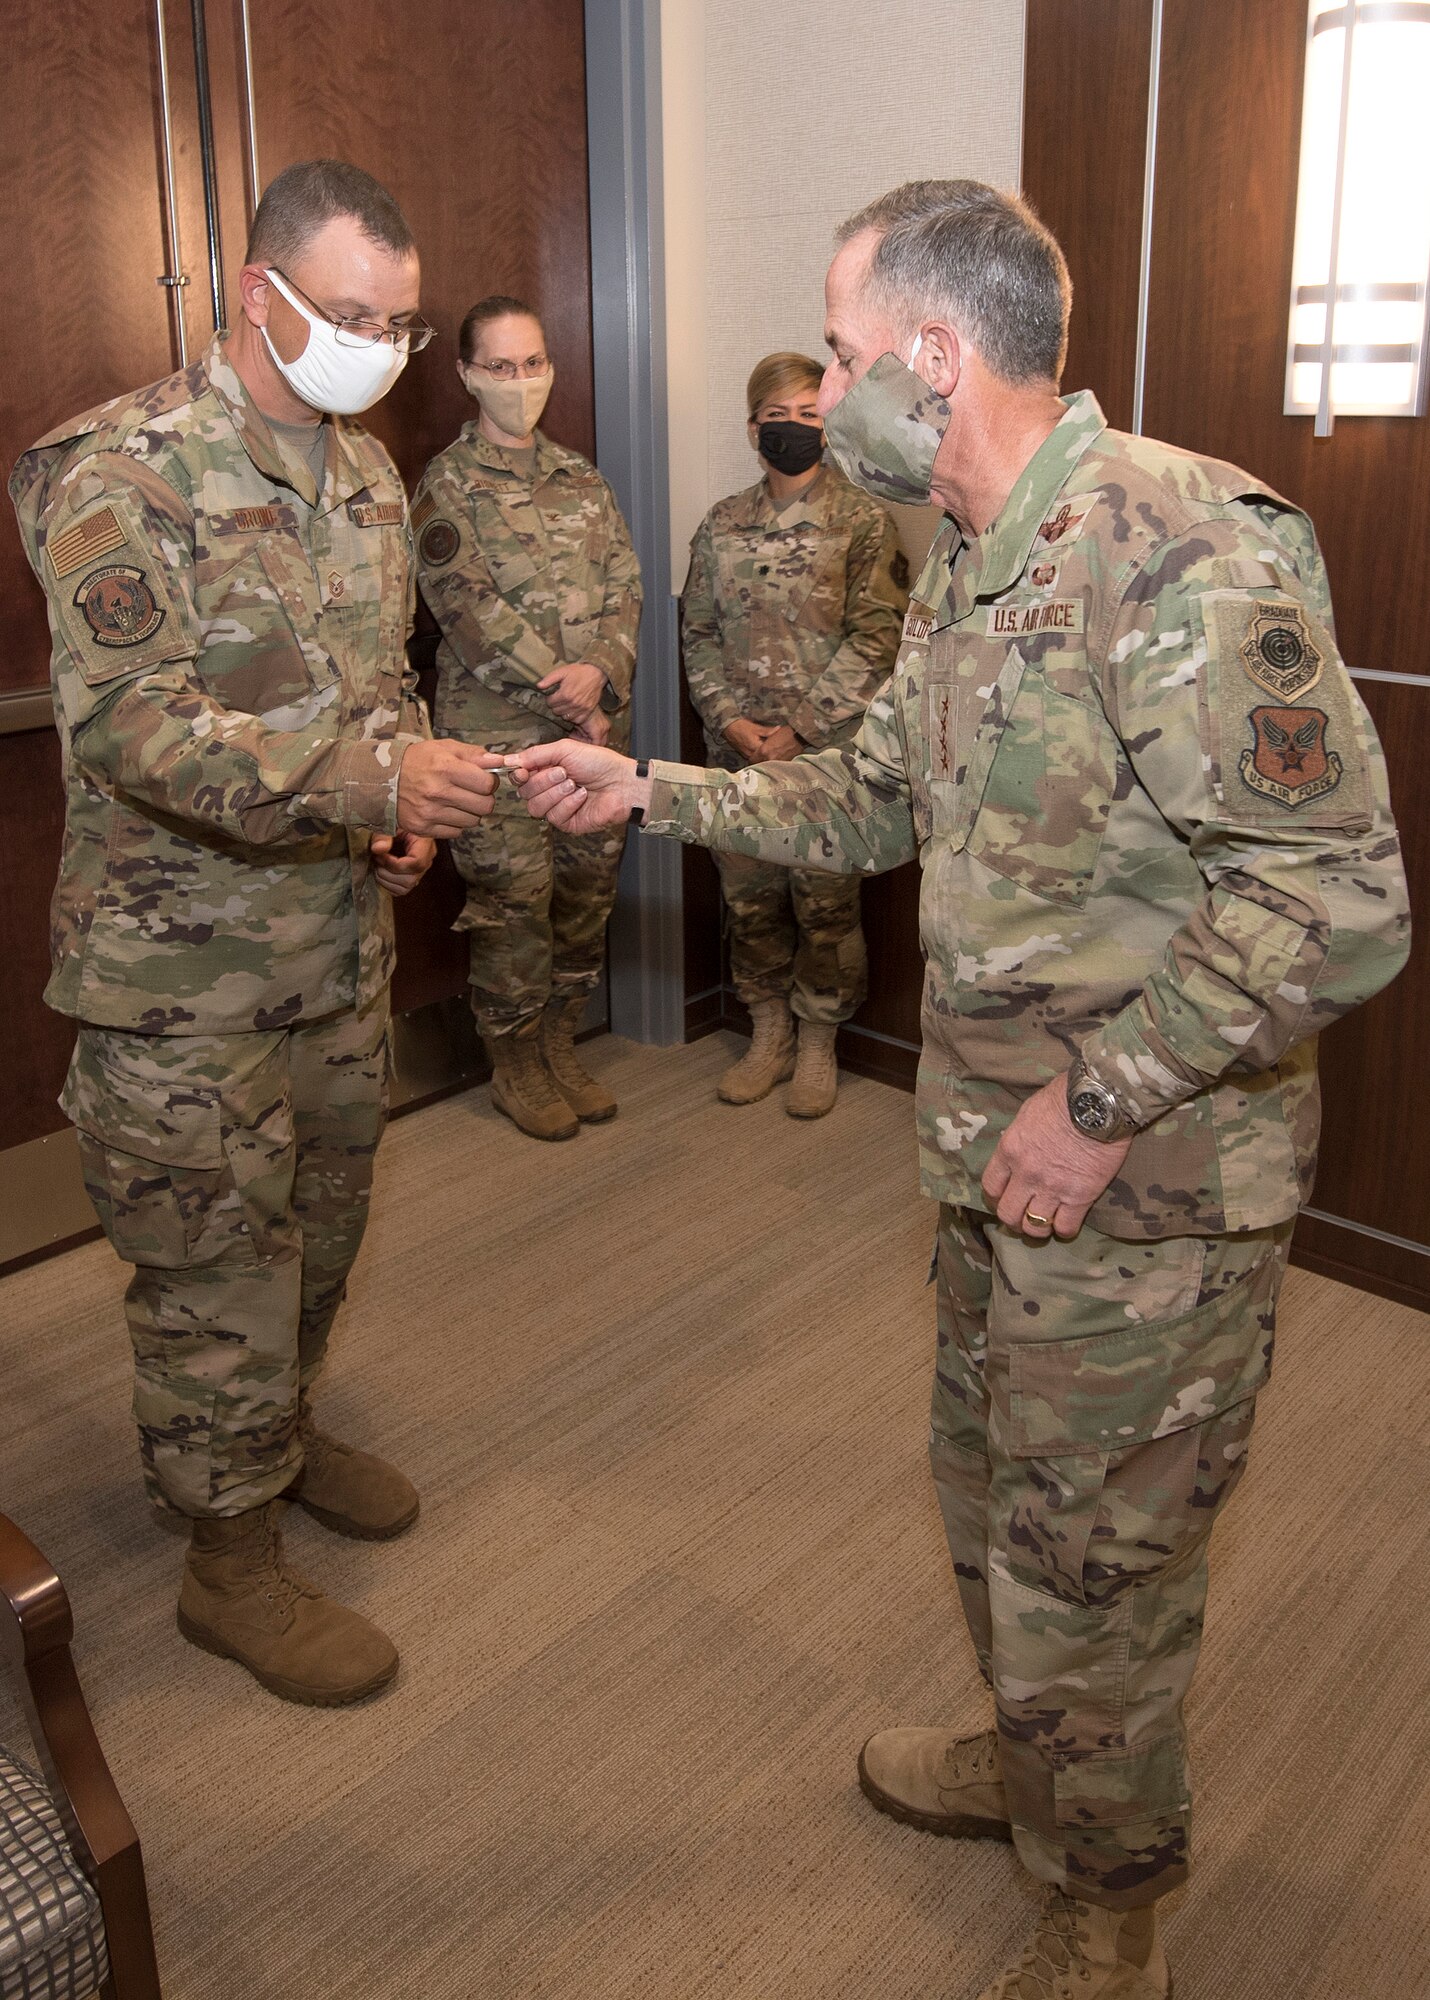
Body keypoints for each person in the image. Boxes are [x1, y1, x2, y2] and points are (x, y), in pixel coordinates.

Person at [507, 181, 1411, 1997]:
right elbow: (872, 796)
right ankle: (1035, 1760)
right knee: (996, 1498)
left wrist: (1096, 1108)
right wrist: (652, 793)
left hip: (1144, 1190)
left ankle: (1107, 1910)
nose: (822, 389)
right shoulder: (970, 554)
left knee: (1104, 1566)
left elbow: (1338, 900)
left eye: (839, 353)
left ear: (931, 355)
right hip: (997, 1166)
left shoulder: (1172, 547)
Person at [9, 160, 503, 1708]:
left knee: (324, 1227)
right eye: (350, 315)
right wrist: (369, 773)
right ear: (258, 293)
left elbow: (376, 680)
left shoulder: (364, 479)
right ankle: (224, 1559)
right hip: (176, 981)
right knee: (211, 1260)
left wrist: (397, 799)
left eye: (401, 326)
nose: (375, 347)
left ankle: (271, 1444)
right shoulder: (119, 472)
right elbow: (140, 730)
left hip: (329, 948)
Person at [412, 295, 641, 1141]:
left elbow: (627, 586)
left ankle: (557, 1041)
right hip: (496, 742)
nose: (521, 382)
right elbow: (466, 611)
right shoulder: (446, 486)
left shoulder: (582, 478)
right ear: (468, 374)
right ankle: (514, 1064)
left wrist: (604, 677)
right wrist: (565, 685)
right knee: (515, 902)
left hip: (591, 739)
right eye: (501, 367)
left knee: (584, 895)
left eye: (534, 363)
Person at [683, 350, 907, 1116]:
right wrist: (733, 721)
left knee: (824, 905)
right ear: (753, 430)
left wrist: (800, 729)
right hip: (737, 754)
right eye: (776, 419)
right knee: (748, 900)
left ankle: (819, 1042)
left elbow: (878, 638)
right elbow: (698, 632)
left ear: (832, 422)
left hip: (824, 760)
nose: (792, 431)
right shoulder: (721, 524)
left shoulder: (864, 522)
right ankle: (769, 1029)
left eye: (809, 416)